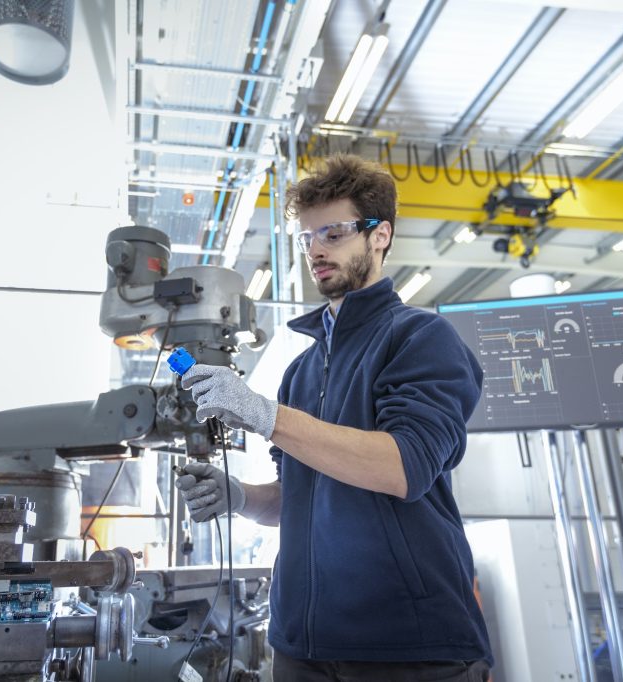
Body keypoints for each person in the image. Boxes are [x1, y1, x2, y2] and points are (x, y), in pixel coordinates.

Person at [175, 154, 493, 681]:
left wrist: (261, 413)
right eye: (307, 237)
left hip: (406, 645)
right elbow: (301, 496)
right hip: (300, 643)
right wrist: (241, 497)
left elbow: (403, 468)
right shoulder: (301, 370)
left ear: (379, 235)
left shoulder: (420, 338)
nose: (317, 248)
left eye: (335, 232)